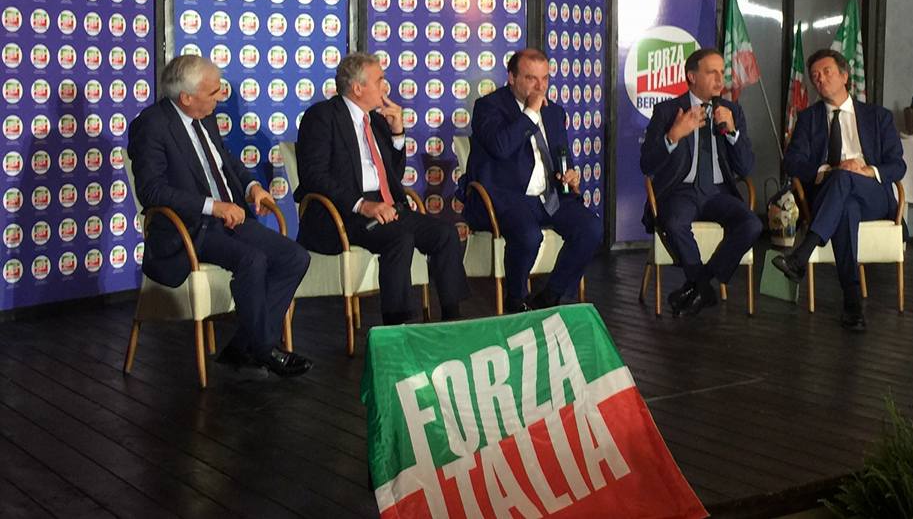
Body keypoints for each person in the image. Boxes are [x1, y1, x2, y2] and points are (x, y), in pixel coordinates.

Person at [128, 56, 313, 377]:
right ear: (186, 97)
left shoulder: (206, 116)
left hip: (229, 220)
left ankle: (247, 346)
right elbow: (152, 191)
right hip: (188, 228)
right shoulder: (152, 125)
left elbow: (225, 161)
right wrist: (212, 206)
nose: (221, 97)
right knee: (252, 259)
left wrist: (253, 186)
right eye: (213, 92)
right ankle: (264, 349)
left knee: (294, 257)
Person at [295, 52, 469, 324]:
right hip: (343, 212)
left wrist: (397, 133)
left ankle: (453, 320)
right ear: (358, 88)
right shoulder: (321, 117)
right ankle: (396, 326)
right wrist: (362, 205)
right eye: (379, 80)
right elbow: (314, 176)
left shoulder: (376, 120)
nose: (385, 87)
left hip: (387, 207)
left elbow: (393, 176)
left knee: (445, 233)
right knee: (400, 238)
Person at [460, 48, 602, 313]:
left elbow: (561, 155)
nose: (540, 86)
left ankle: (552, 295)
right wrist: (531, 113)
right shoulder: (488, 107)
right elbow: (501, 147)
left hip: (550, 195)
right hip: (506, 197)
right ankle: (516, 299)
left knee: (591, 228)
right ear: (511, 78)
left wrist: (569, 174)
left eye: (545, 79)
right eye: (531, 79)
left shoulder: (554, 112)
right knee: (528, 235)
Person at [773, 48, 906, 331]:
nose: (820, 79)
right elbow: (792, 162)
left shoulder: (877, 116)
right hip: (831, 195)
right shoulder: (808, 118)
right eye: (814, 76)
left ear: (845, 76)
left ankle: (802, 254)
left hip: (873, 195)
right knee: (845, 204)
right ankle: (852, 303)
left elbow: (898, 165)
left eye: (826, 72)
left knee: (846, 180)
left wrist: (867, 170)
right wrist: (827, 170)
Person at [640, 48, 762, 317]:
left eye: (722, 72)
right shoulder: (667, 111)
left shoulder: (732, 111)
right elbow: (646, 164)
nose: (720, 79)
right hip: (681, 192)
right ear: (692, 76)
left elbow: (746, 167)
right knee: (674, 223)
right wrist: (674, 136)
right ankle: (703, 288)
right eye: (711, 72)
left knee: (752, 224)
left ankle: (700, 285)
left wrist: (732, 132)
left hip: (718, 193)